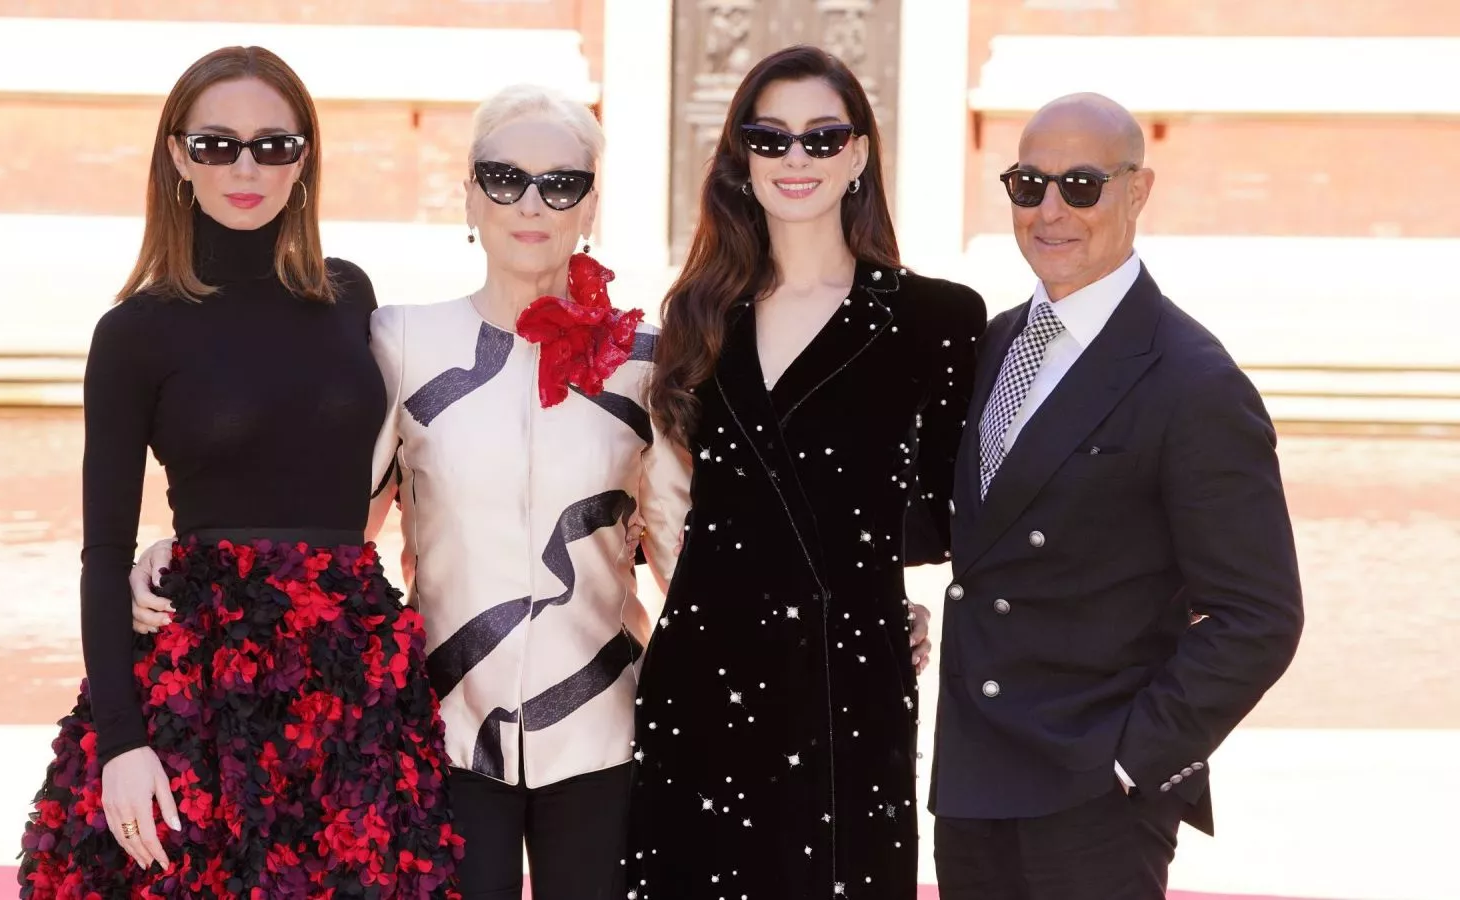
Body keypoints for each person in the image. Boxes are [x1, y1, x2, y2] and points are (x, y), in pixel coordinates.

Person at [129, 84, 683, 900]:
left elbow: (685, 552)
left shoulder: (646, 360)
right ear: (469, 196)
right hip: (442, 728)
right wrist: (195, 552)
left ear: (591, 205)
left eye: (561, 184)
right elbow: (333, 520)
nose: (531, 203)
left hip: (604, 727)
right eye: (504, 179)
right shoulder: (404, 341)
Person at [17, 46, 461, 899]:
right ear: (178, 157)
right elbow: (102, 553)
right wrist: (121, 744)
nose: (246, 168)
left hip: (352, 669)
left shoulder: (351, 296)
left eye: (273, 145)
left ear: (304, 158)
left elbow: (377, 478)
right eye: (216, 145)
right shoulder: (134, 333)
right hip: (202, 683)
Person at [625, 45, 986, 900]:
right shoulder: (699, 316)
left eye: (822, 137)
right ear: (742, 158)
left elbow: (953, 513)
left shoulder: (935, 319)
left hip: (849, 681)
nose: (796, 157)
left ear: (859, 154)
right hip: (702, 675)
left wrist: (890, 599)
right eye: (771, 137)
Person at [928, 92, 1305, 900]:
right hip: (974, 782)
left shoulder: (1193, 380)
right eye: (1029, 184)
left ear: (1138, 191)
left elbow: (1259, 616)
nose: (1050, 210)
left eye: (1081, 185)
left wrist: (1132, 762)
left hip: (1095, 801)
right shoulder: (993, 343)